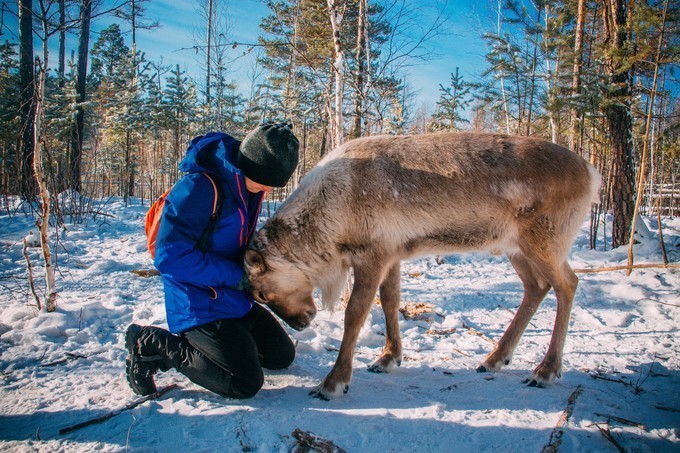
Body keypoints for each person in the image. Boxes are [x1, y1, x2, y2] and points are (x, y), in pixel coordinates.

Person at [125, 122, 299, 398]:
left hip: (232, 298)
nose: (268, 188)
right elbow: (169, 257)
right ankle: (152, 344)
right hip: (197, 303)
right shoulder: (199, 189)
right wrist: (236, 275)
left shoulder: (248, 189)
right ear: (250, 164)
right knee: (243, 382)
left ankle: (227, 345)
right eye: (266, 180)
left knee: (280, 356)